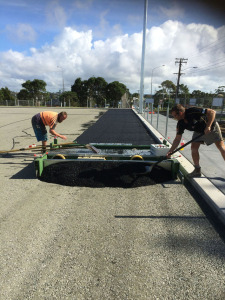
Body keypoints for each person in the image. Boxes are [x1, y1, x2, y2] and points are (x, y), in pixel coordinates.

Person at [167, 104, 225, 177]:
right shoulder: (180, 123)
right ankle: (197, 170)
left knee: (221, 148)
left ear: (180, 113)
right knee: (194, 148)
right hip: (198, 131)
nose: (174, 118)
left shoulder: (193, 111)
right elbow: (177, 139)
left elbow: (212, 112)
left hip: (211, 128)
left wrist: (208, 126)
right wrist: (171, 151)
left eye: (175, 115)